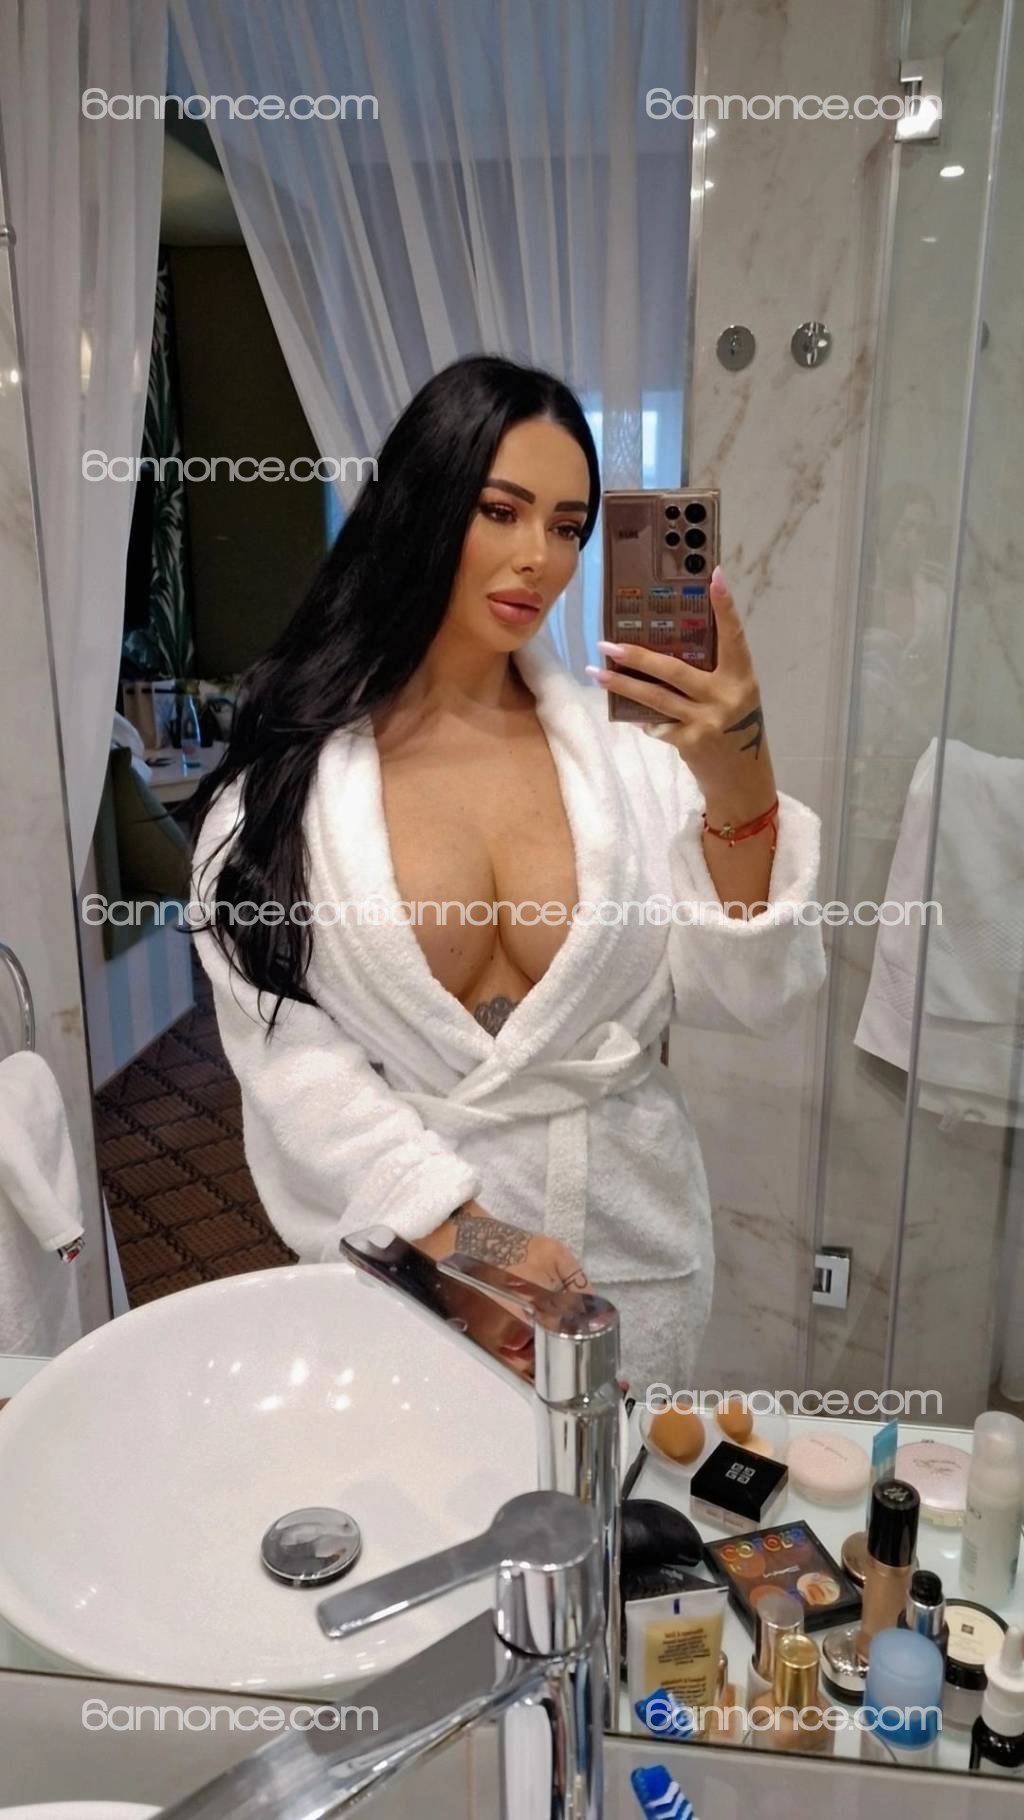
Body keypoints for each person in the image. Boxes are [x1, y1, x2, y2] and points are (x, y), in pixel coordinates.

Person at [187, 355, 826, 1395]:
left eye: (569, 526)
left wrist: (738, 775)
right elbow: (293, 1067)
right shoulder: (282, 796)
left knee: (609, 1492)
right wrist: (467, 1238)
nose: (540, 557)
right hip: (411, 1261)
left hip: (624, 1261)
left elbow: (752, 996)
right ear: (423, 506)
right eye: (501, 510)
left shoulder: (634, 766)